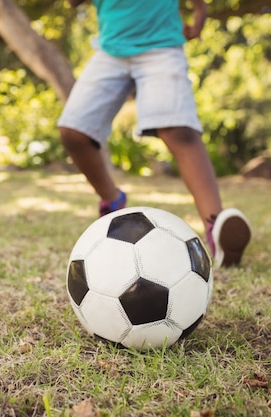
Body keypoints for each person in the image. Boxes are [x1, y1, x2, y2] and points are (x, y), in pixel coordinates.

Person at [58, 0, 251, 268]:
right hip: (110, 49)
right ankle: (113, 202)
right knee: (73, 132)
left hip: (162, 47)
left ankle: (216, 226)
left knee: (178, 130)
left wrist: (200, 11)